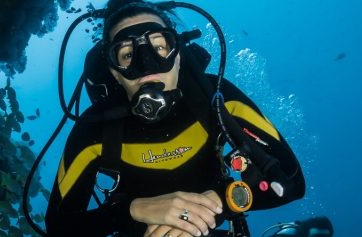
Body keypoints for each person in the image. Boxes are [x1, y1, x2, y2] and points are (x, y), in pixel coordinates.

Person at [44, 1, 307, 236]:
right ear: (114, 73)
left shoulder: (216, 98)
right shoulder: (95, 130)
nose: (146, 64)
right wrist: (132, 211)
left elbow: (292, 181)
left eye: (159, 47)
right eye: (126, 54)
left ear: (178, 55)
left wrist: (217, 205)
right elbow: (59, 227)